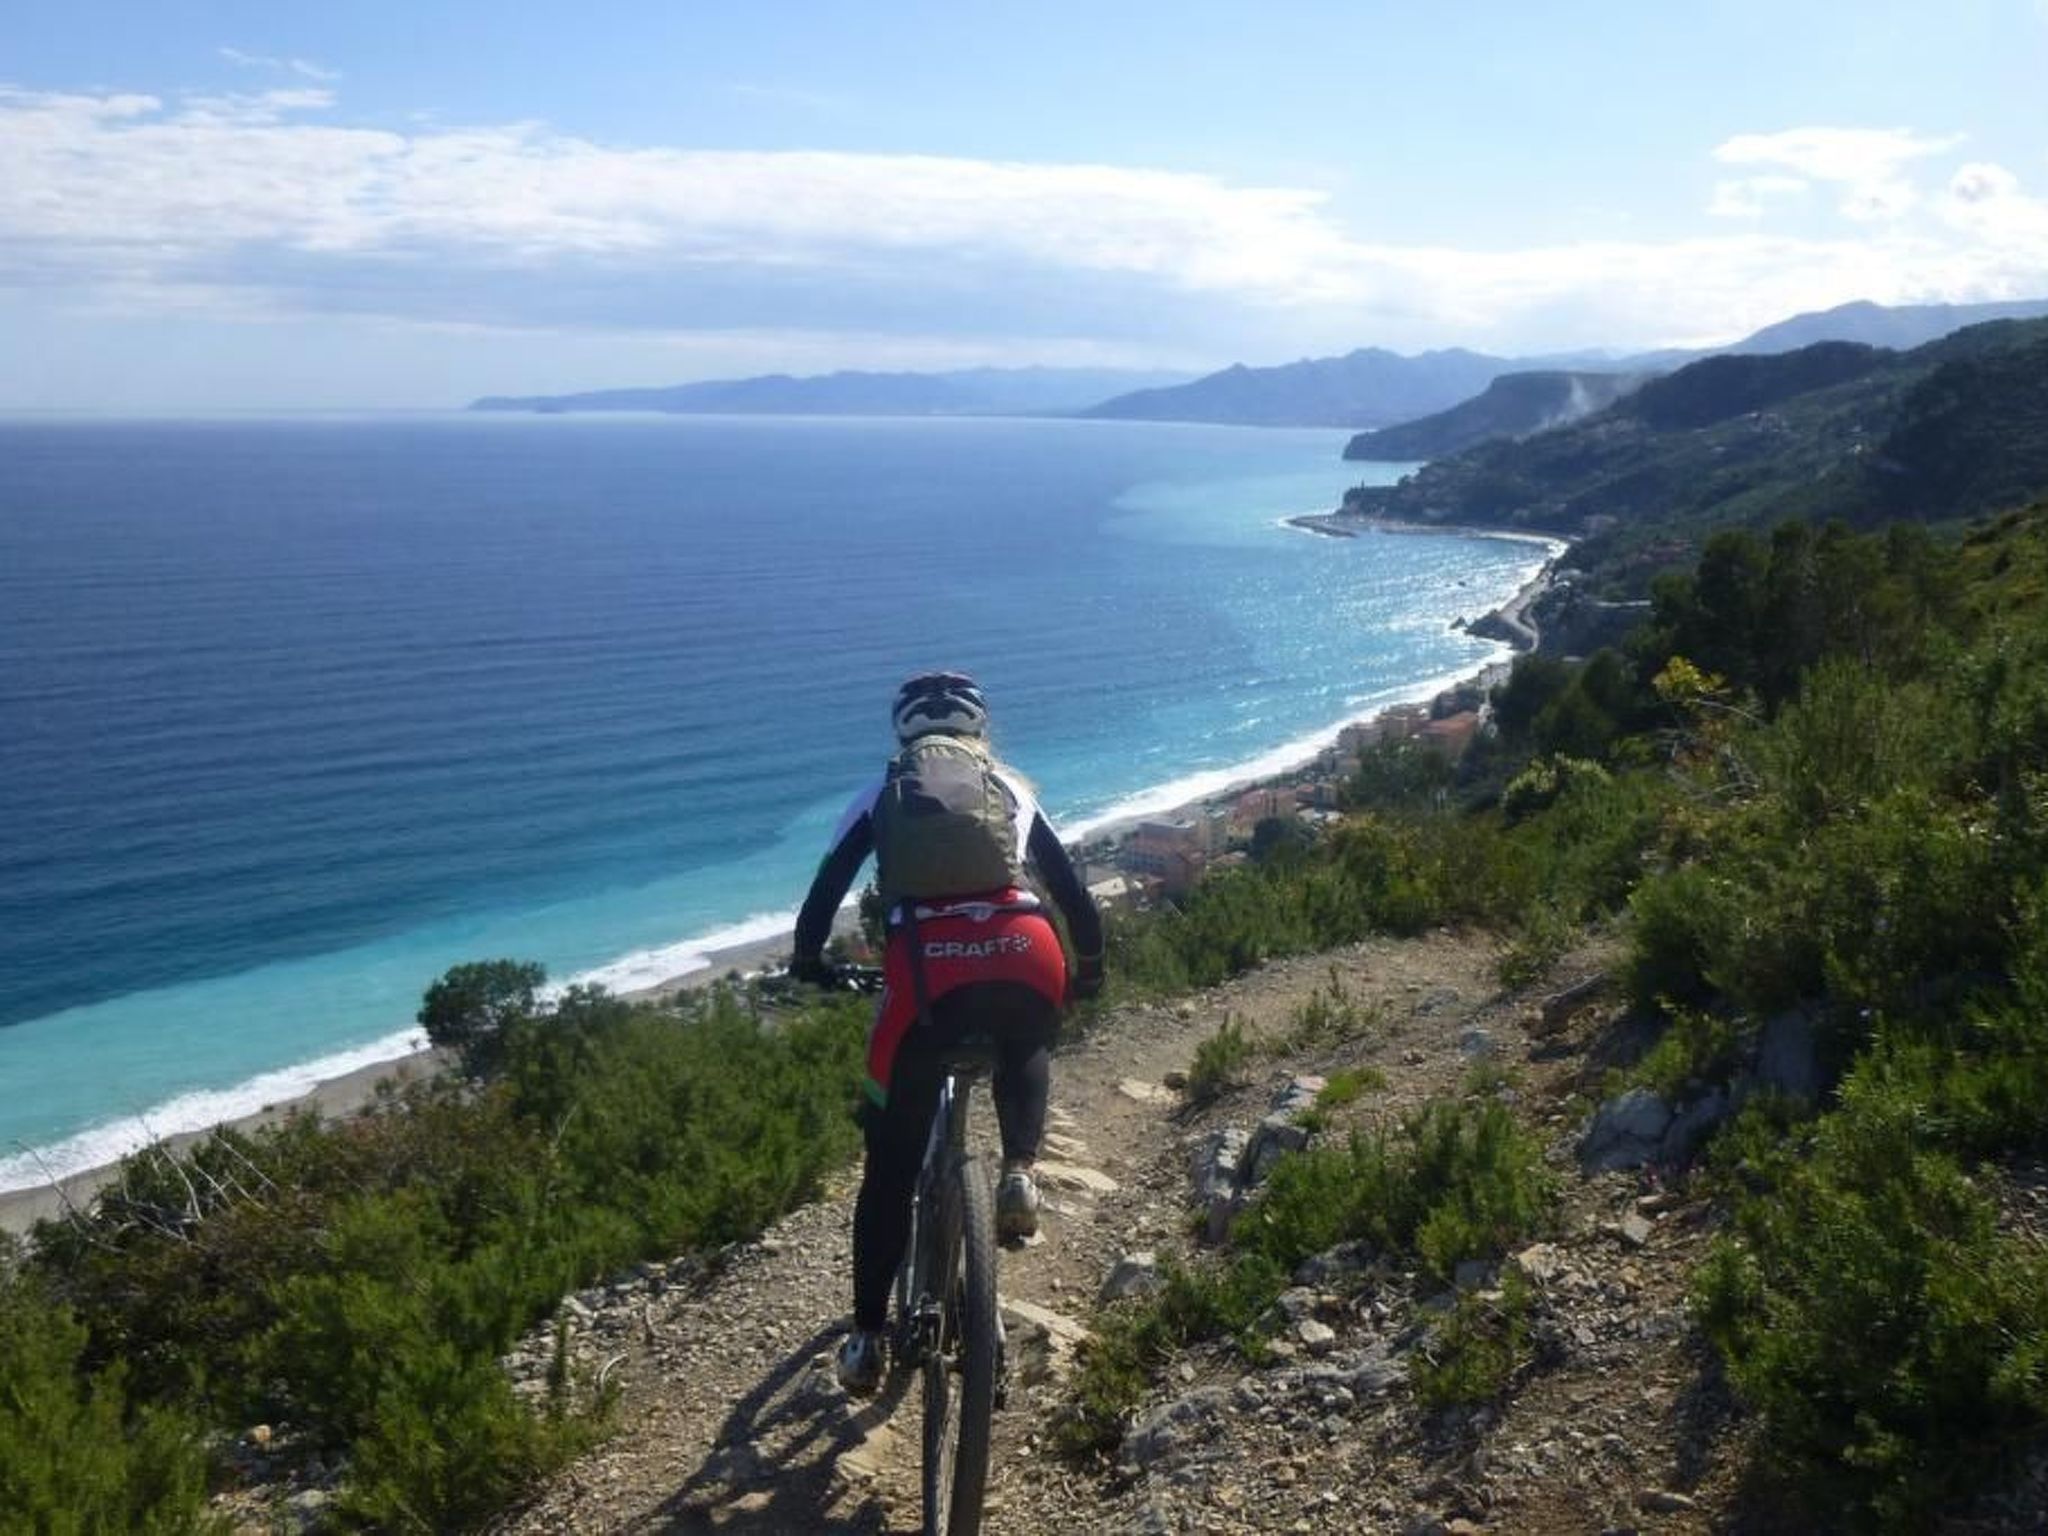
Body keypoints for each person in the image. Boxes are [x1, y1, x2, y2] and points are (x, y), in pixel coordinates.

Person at [792, 671, 1104, 1396]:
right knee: (1026, 1038)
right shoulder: (1012, 787)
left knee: (889, 1169)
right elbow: (1074, 894)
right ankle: (1019, 1169)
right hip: (1025, 950)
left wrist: (809, 963)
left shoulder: (879, 794)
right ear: (979, 730)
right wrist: (1089, 970)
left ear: (904, 732)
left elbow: (824, 892)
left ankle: (867, 1341)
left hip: (927, 979)